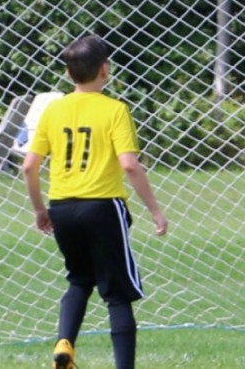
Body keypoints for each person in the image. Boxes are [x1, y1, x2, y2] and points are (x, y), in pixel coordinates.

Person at [21, 34, 169, 369]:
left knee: (79, 278)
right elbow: (130, 164)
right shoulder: (115, 110)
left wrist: (39, 210)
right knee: (117, 294)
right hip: (103, 207)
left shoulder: (53, 110)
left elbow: (29, 166)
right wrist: (156, 211)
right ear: (105, 69)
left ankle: (64, 344)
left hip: (62, 207)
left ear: (69, 72)